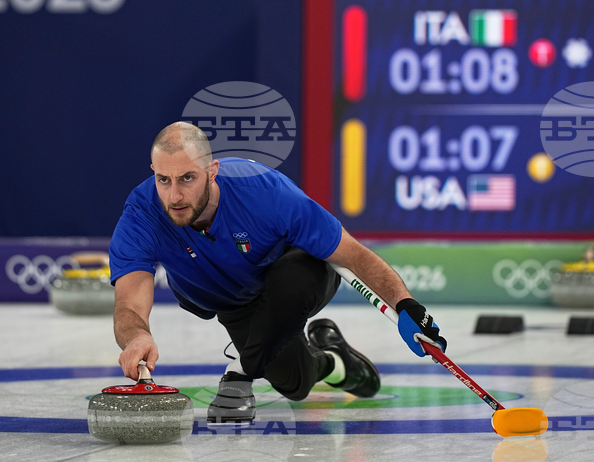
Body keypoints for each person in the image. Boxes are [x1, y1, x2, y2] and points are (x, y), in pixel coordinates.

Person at [109, 122, 447, 423]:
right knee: (295, 383)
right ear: (153, 171)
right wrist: (137, 336)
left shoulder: (265, 192)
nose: (174, 195)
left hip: (295, 276)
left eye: (187, 178)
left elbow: (354, 255)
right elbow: (129, 305)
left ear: (212, 171)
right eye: (163, 180)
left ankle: (241, 369)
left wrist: (407, 305)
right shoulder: (142, 212)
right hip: (232, 301)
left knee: (288, 285)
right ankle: (333, 359)